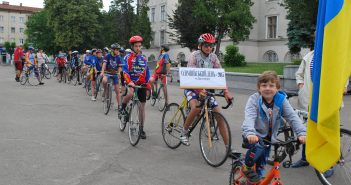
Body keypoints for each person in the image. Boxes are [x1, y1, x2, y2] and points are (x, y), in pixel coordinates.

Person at [242, 71, 306, 183]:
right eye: (264, 85)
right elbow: (249, 117)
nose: (268, 88)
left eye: (271, 85)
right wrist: (250, 133)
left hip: (269, 138)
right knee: (257, 148)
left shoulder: (281, 101)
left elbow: (292, 117)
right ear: (259, 88)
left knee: (261, 167)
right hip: (253, 135)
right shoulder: (254, 100)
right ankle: (246, 168)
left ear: (277, 88)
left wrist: (302, 133)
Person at [180, 33, 233, 146]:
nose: (208, 48)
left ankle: (228, 148)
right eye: (206, 45)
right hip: (192, 88)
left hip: (206, 90)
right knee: (196, 108)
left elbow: (220, 77)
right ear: (200, 45)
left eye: (210, 46)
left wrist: (226, 92)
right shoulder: (194, 55)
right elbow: (191, 76)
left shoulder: (213, 58)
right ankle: (184, 132)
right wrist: (199, 91)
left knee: (219, 115)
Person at [121, 35, 150, 139]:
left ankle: (141, 129)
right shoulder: (127, 57)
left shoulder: (144, 59)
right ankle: (123, 107)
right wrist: (129, 82)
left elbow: (147, 74)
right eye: (136, 46)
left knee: (142, 108)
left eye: (140, 46)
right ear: (132, 46)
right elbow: (125, 71)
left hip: (141, 84)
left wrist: (148, 87)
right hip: (131, 82)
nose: (138, 48)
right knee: (130, 93)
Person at [101, 43, 123, 110]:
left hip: (115, 74)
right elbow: (104, 64)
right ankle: (105, 90)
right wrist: (102, 72)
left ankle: (119, 106)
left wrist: (119, 72)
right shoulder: (108, 56)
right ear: (113, 50)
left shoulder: (118, 57)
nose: (118, 51)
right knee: (104, 80)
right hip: (107, 73)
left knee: (117, 91)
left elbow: (119, 67)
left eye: (118, 50)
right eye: (116, 50)